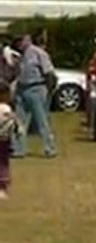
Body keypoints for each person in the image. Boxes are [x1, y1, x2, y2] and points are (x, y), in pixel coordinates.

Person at [11, 31, 57, 159]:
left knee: (41, 120)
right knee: (19, 121)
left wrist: (48, 91)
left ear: (28, 39)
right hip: (22, 90)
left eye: (21, 40)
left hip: (36, 88)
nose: (19, 43)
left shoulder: (38, 53)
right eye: (17, 41)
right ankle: (19, 149)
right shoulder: (21, 56)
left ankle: (50, 148)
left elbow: (49, 73)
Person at [0, 82, 15, 199]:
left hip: (4, 140)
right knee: (3, 164)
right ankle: (2, 188)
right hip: (3, 141)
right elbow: (10, 123)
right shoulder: (5, 109)